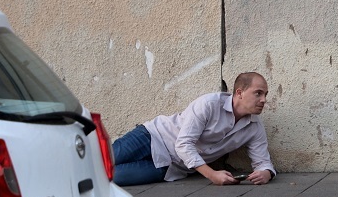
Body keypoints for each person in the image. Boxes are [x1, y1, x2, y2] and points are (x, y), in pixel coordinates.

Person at [111, 72, 276, 186]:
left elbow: (263, 162)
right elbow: (183, 144)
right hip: (151, 137)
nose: (263, 100)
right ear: (239, 93)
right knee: (98, 160)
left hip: (168, 167)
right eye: (258, 93)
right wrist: (212, 175)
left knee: (108, 177)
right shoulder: (209, 104)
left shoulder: (254, 126)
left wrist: (265, 173)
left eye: (265, 94)